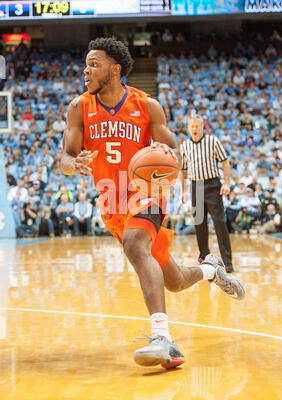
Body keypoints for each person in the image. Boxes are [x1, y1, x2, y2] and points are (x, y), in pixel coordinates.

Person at [60, 37, 245, 369]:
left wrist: (160, 162)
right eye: (86, 64)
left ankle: (163, 338)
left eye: (93, 64)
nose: (86, 70)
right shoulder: (78, 107)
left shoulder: (147, 105)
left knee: (135, 242)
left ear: (115, 69)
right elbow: (65, 156)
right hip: (111, 201)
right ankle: (210, 269)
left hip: (147, 192)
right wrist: (72, 164)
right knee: (173, 280)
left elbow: (173, 151)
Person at [180, 115, 235, 273]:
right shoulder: (184, 146)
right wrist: (183, 191)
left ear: (202, 126)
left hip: (212, 185)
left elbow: (225, 163)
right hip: (196, 186)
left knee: (219, 223)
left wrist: (226, 183)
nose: (195, 129)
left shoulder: (213, 141)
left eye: (197, 126)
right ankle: (204, 258)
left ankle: (227, 262)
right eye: (192, 126)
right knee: (199, 224)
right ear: (188, 128)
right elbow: (183, 171)